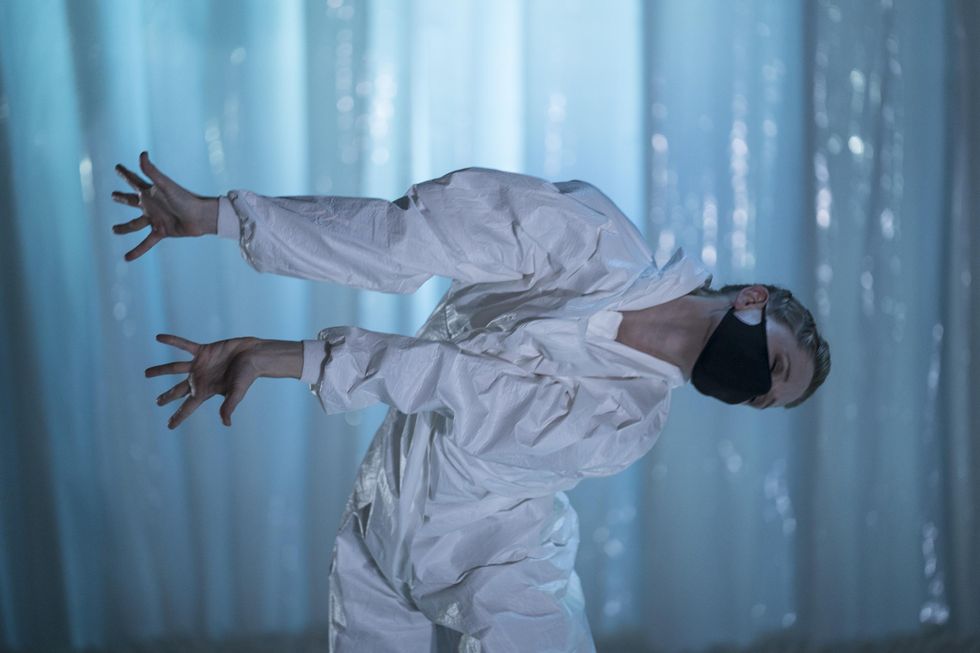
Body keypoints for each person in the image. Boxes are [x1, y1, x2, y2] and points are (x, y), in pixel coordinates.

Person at [112, 151, 830, 652]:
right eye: (773, 365)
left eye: (766, 399)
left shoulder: (626, 421)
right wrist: (222, 217)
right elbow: (406, 238)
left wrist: (281, 357)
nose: (758, 389)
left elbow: (465, 387)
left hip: (499, 563)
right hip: (382, 513)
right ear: (752, 299)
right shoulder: (591, 240)